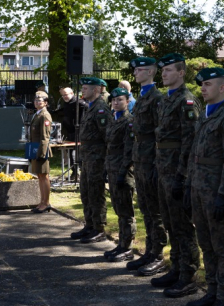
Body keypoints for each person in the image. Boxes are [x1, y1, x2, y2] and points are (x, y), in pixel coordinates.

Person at [184, 67, 224, 306]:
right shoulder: (205, 115)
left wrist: (223, 195)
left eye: (208, 84)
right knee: (206, 244)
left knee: (223, 248)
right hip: (199, 190)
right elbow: (194, 153)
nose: (203, 88)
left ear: (222, 87)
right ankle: (212, 291)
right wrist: (188, 186)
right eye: (202, 85)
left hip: (218, 193)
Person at [152, 53, 202, 296]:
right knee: (170, 223)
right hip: (163, 169)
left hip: (177, 171)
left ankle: (189, 274)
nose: (164, 74)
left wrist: (183, 177)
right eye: (163, 70)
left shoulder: (186, 101)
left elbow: (189, 141)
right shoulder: (165, 100)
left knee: (182, 225)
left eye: (169, 70)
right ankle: (176, 267)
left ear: (181, 73)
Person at [125, 57, 168, 275]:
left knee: (155, 210)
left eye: (140, 70)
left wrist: (155, 163)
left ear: (151, 72)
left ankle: (158, 254)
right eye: (135, 70)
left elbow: (159, 133)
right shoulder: (142, 97)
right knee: (146, 208)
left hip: (151, 159)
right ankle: (150, 251)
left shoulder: (157, 98)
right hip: (140, 159)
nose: (135, 74)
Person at [70, 77, 112, 243]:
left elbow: (107, 137)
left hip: (97, 159)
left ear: (96, 90)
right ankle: (90, 224)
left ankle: (99, 228)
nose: (83, 91)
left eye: (86, 88)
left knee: (96, 193)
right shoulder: (89, 107)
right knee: (86, 193)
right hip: (87, 159)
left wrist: (105, 162)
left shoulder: (101, 109)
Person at [104, 88, 136, 262]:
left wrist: (123, 172)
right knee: (118, 209)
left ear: (127, 101)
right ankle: (122, 243)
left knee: (126, 210)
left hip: (123, 172)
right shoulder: (113, 120)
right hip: (112, 169)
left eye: (120, 100)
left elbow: (129, 149)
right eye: (114, 100)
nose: (116, 103)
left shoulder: (129, 122)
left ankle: (128, 247)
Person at [54, 86, 86, 181]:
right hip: (70, 131)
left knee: (77, 153)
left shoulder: (78, 102)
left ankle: (81, 173)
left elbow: (88, 107)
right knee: (71, 152)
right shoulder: (66, 103)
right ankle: (74, 173)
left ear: (72, 93)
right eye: (63, 95)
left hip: (79, 132)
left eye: (66, 94)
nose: (64, 96)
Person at [29, 90, 53, 213]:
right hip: (35, 149)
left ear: (45, 103)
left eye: (40, 100)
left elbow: (45, 136)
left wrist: (42, 153)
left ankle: (46, 202)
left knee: (44, 176)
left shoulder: (45, 115)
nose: (37, 102)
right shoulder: (37, 114)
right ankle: (42, 201)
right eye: (36, 100)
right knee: (40, 176)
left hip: (41, 150)